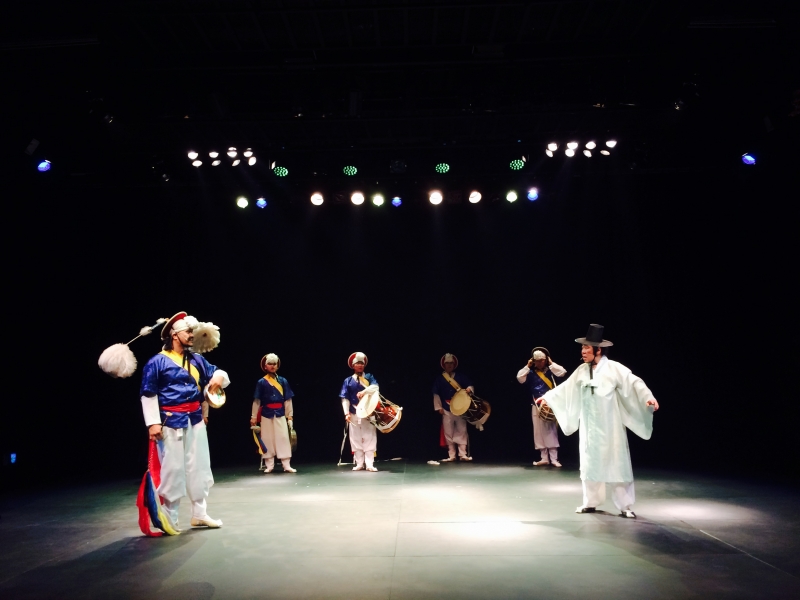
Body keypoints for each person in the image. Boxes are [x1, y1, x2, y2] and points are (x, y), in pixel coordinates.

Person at [537, 324, 659, 518]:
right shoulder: (582, 370)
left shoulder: (614, 368)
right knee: (590, 464)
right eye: (582, 348)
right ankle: (590, 502)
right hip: (590, 428)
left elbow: (634, 382)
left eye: (587, 348)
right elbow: (567, 387)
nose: (583, 351)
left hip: (611, 428)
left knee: (617, 465)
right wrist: (548, 397)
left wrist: (648, 397)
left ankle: (625, 505)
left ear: (598, 350)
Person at [140, 312, 230, 530]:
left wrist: (218, 377)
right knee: (173, 469)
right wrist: (152, 423)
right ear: (174, 334)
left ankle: (199, 513)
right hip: (170, 421)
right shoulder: (157, 362)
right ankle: (170, 517)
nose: (192, 335)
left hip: (195, 419)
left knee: (199, 466)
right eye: (188, 332)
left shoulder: (196, 359)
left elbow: (218, 373)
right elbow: (148, 393)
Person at [517, 347, 568, 467]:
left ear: (546, 360)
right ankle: (544, 457)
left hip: (549, 404)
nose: (539, 363)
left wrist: (551, 363)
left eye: (542, 360)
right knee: (538, 431)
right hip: (536, 404)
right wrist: (527, 366)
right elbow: (519, 378)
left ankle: (554, 458)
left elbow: (563, 372)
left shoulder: (551, 370)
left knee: (550, 430)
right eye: (537, 361)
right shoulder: (530, 372)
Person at [250, 353, 296, 473]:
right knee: (267, 438)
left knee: (283, 438)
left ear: (277, 366)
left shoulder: (283, 381)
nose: (272, 366)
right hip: (266, 413)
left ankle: (286, 465)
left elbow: (288, 400)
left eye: (274, 364)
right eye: (270, 364)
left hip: (280, 413)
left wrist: (290, 416)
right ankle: (269, 465)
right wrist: (253, 416)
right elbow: (257, 401)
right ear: (265, 366)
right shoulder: (261, 382)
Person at [340, 352, 379, 472]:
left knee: (369, 436)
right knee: (355, 437)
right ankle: (359, 463)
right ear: (353, 365)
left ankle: (370, 463)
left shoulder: (369, 377)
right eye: (358, 363)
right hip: (354, 411)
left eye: (362, 363)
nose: (360, 365)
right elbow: (345, 398)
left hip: (368, 411)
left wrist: (364, 392)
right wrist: (346, 413)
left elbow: (376, 387)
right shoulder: (348, 381)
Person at [433, 353, 474, 462]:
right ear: (444, 365)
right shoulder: (440, 379)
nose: (449, 365)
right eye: (447, 363)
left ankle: (463, 454)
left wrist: (469, 389)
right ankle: (452, 455)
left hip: (460, 407)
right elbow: (436, 393)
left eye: (451, 363)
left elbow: (469, 385)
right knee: (448, 431)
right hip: (446, 407)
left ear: (454, 364)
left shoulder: (460, 376)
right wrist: (438, 407)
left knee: (462, 429)